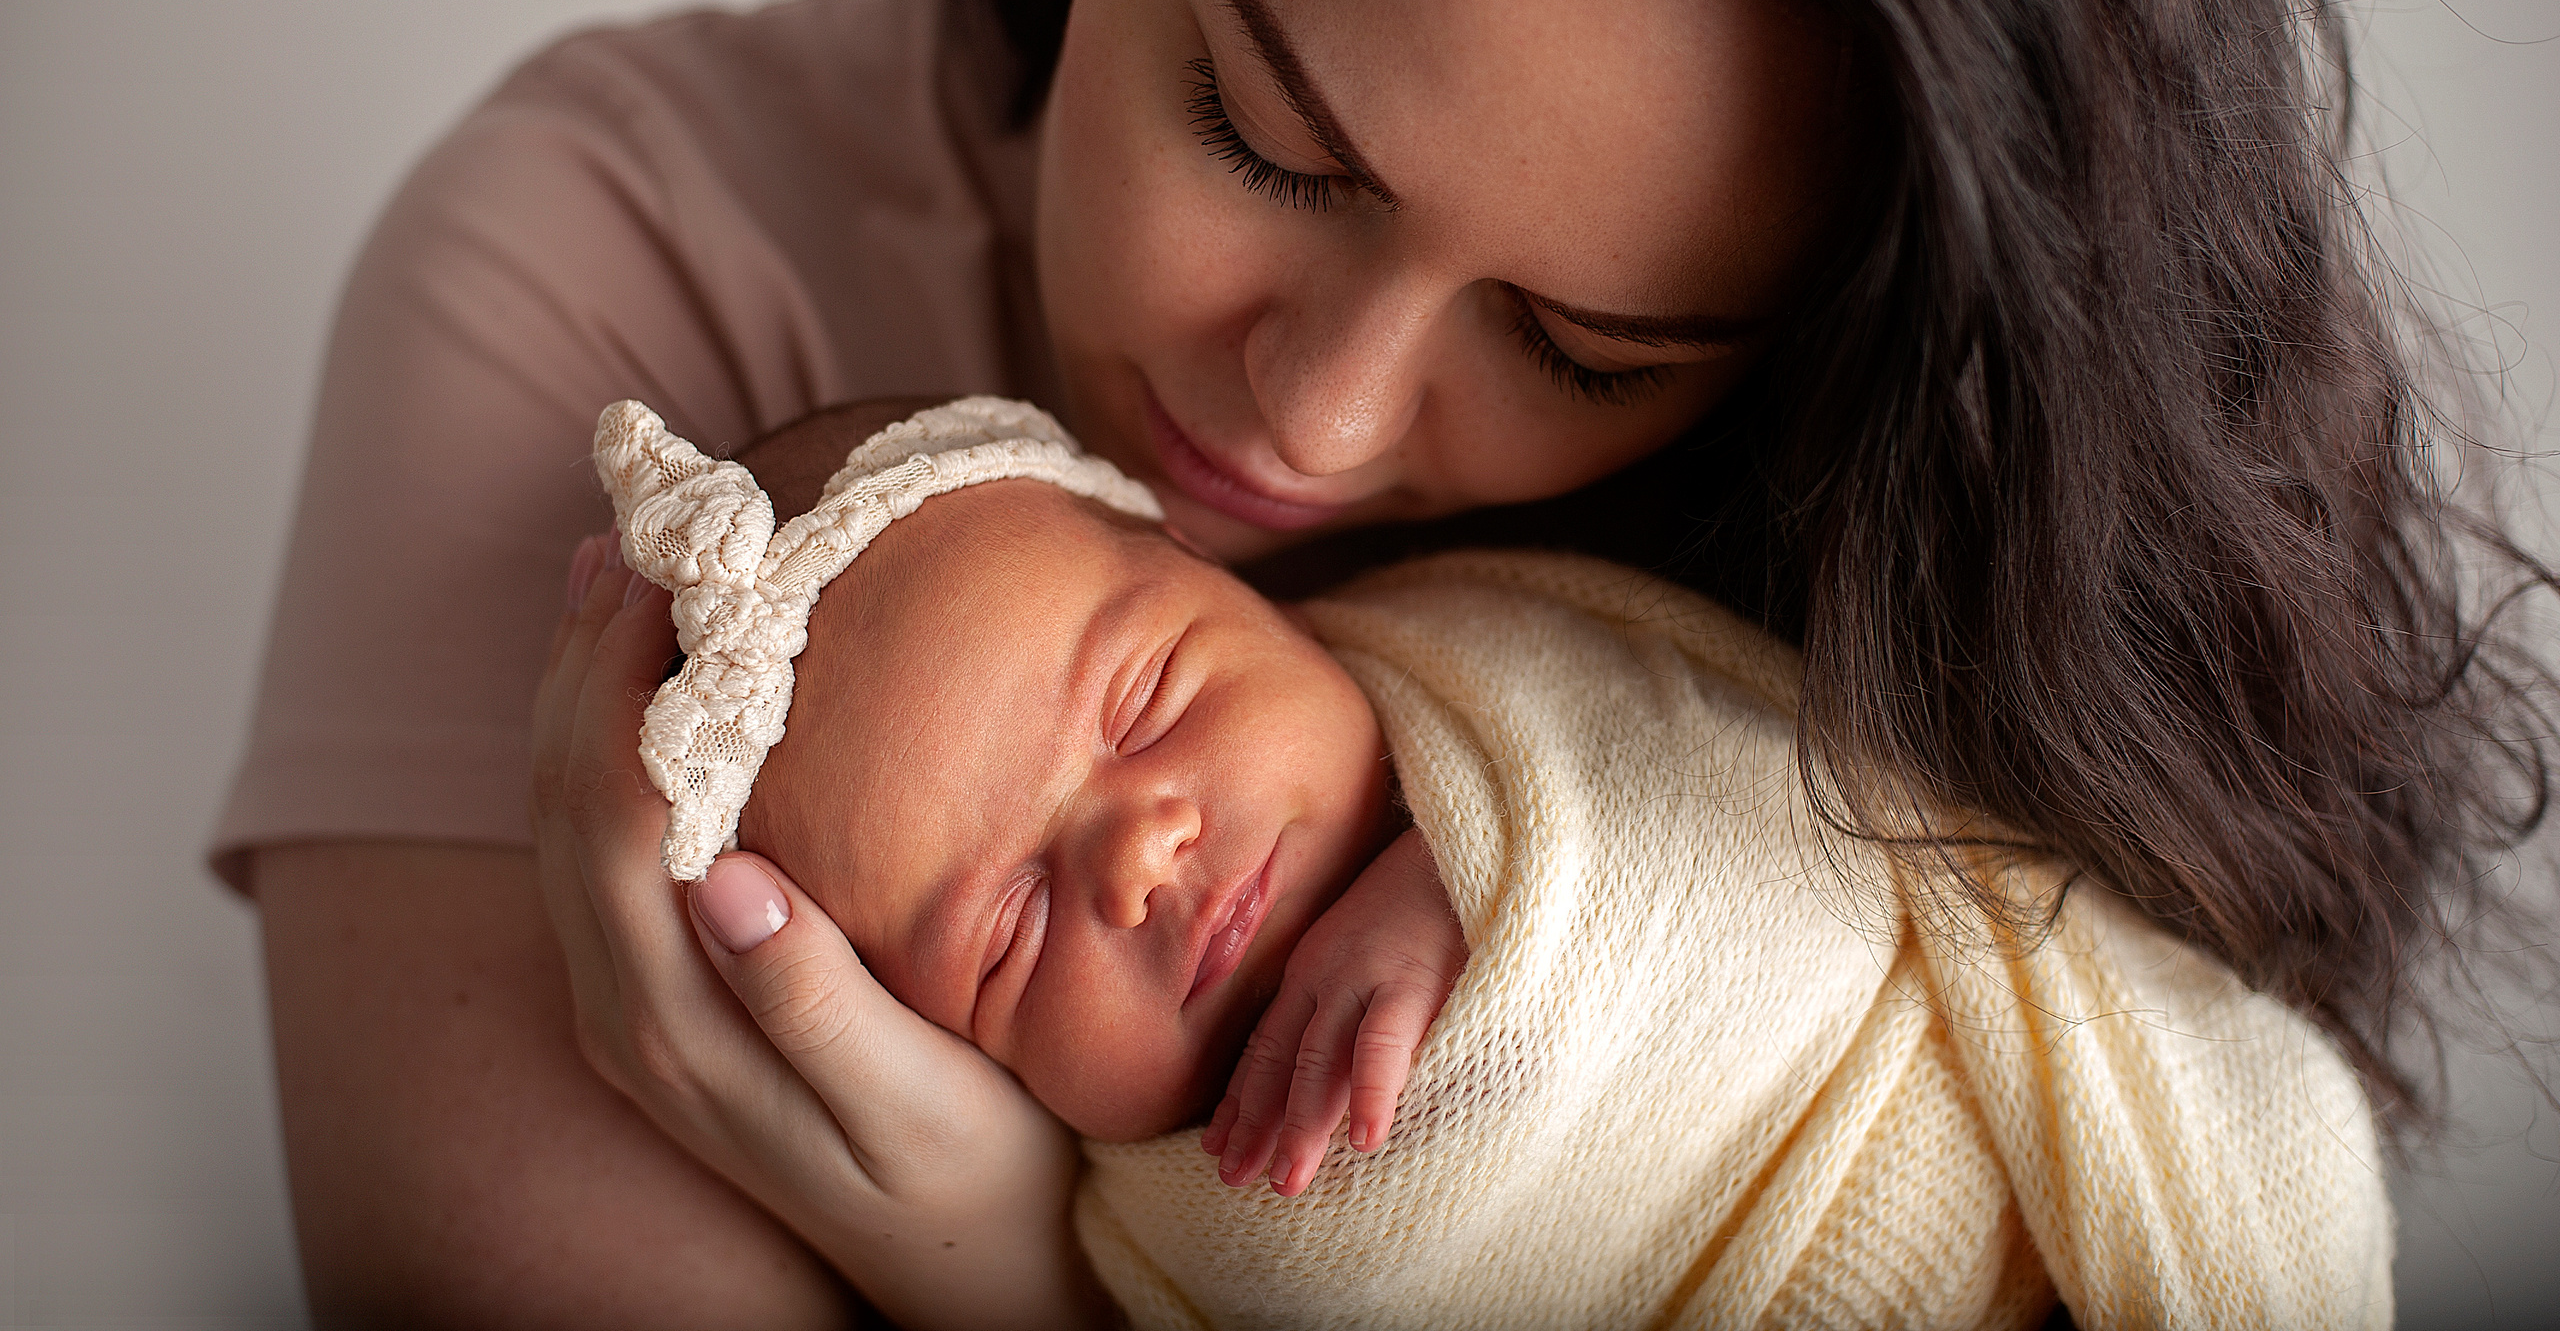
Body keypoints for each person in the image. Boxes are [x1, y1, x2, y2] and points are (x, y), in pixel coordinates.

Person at [221, 0, 2554, 1326]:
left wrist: (1012, 1284)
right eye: (1263, 132)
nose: (1313, 428)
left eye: (1579, 343)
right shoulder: (631, 265)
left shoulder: (1887, 495)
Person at [581, 393, 2382, 1330]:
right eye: (1009, 931)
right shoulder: (1145, 1247)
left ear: (1232, 585)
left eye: (1145, 701)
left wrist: (1480, 885)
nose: (1138, 859)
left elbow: (1775, 816)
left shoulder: (1485, 669)